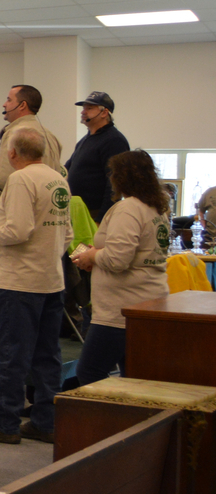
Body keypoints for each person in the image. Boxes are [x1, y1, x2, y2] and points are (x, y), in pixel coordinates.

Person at [0, 129, 73, 446]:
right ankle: (46, 422)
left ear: (12, 154)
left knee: (10, 354)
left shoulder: (20, 180)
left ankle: (4, 423)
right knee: (48, 355)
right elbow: (67, 235)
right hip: (52, 280)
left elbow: (17, 230)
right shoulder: (58, 180)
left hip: (19, 282)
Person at [72, 151, 170, 387]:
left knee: (89, 373)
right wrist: (96, 256)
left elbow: (117, 259)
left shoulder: (128, 209)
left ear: (122, 177)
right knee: (134, 378)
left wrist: (92, 255)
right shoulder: (156, 208)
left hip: (120, 311)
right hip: (147, 304)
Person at [0, 85, 65, 204]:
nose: (4, 104)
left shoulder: (15, 133)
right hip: (49, 204)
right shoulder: (51, 136)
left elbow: (4, 179)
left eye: (9, 100)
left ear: (22, 105)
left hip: (22, 202)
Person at [65, 91, 130, 222]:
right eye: (83, 108)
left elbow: (114, 183)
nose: (83, 112)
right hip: (78, 210)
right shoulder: (85, 140)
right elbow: (67, 169)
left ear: (104, 113)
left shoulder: (114, 140)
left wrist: (102, 218)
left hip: (95, 213)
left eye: (89, 108)